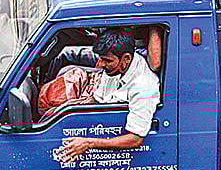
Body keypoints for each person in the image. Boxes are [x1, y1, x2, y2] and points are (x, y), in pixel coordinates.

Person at [59, 28, 160, 162]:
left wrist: (88, 143)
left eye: (107, 61)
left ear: (126, 59)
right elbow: (96, 99)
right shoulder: (116, 68)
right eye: (101, 59)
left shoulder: (144, 89)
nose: (101, 65)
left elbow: (135, 139)